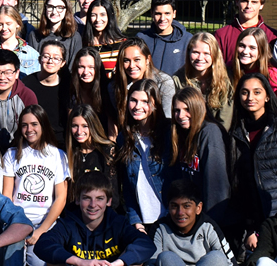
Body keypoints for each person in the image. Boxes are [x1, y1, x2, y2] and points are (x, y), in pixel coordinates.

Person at [228, 73, 277, 256]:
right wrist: (251, 228)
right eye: (244, 92)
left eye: (257, 92)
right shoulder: (237, 132)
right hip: (254, 217)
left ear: (267, 96)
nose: (250, 98)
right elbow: (239, 183)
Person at [1, 105, 69, 266]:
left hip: (44, 223)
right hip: (18, 221)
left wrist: (40, 231)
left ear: (43, 125)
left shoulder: (57, 155)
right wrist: (13, 225)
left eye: (34, 124)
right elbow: (7, 195)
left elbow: (60, 198)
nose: (29, 129)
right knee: (10, 264)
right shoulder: (12, 154)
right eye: (24, 125)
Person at [169, 88, 231, 231]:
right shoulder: (181, 134)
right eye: (177, 110)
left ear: (197, 108)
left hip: (213, 222)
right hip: (192, 218)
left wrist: (209, 225)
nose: (181, 115)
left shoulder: (210, 132)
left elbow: (217, 187)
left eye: (187, 109)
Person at [117, 79, 172, 235]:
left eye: (145, 101)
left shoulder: (168, 133)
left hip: (170, 219)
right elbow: (127, 186)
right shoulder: (124, 137)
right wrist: (136, 221)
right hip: (143, 223)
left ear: (155, 104)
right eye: (133, 100)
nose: (137, 106)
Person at [214, 0, 277, 64]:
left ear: (262, 5)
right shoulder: (221, 35)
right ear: (237, 2)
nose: (249, 6)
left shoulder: (273, 36)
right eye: (244, 1)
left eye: (254, 2)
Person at [175, 33, 233, 125]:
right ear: (189, 53)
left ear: (214, 55)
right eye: (195, 52)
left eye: (206, 53)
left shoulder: (225, 80)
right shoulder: (178, 80)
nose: (200, 58)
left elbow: (225, 121)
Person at [111, 38, 177, 118]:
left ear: (147, 60)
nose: (131, 66)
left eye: (137, 60)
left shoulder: (164, 83)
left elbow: (168, 118)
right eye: (126, 60)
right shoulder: (114, 86)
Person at [21, 40, 73, 140]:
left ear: (62, 63)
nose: (50, 61)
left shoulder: (68, 85)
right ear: (39, 59)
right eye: (46, 56)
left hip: (61, 140)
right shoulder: (27, 84)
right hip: (33, 138)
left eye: (56, 58)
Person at [137, 0, 193, 76]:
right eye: (158, 14)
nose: (162, 18)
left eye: (167, 13)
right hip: (148, 87)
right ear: (152, 14)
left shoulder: (187, 39)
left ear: (174, 14)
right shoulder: (142, 39)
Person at [65, 104, 118, 185]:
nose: (79, 131)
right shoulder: (68, 153)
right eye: (75, 126)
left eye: (85, 126)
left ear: (93, 126)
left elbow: (113, 189)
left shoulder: (107, 151)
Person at [70, 47, 117, 136]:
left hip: (103, 138)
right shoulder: (71, 90)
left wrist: (111, 146)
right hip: (79, 137)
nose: (86, 72)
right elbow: (70, 122)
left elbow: (112, 123)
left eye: (91, 67)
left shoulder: (107, 89)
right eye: (81, 67)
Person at [27, 0, 83, 65]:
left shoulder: (75, 37)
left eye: (60, 7)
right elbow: (33, 66)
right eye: (50, 7)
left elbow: (74, 68)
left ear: (66, 10)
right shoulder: (34, 36)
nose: (54, 12)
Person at [0, 5, 40, 75]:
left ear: (17, 23)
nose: (4, 28)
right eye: (0, 24)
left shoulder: (32, 55)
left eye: (8, 24)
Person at [231, 27, 277, 92]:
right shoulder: (230, 68)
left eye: (252, 48)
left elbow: (276, 100)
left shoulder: (271, 74)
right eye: (242, 45)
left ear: (261, 51)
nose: (245, 51)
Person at [83, 0, 126, 78]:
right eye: (93, 15)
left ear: (111, 16)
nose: (98, 19)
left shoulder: (122, 44)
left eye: (103, 15)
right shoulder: (84, 43)